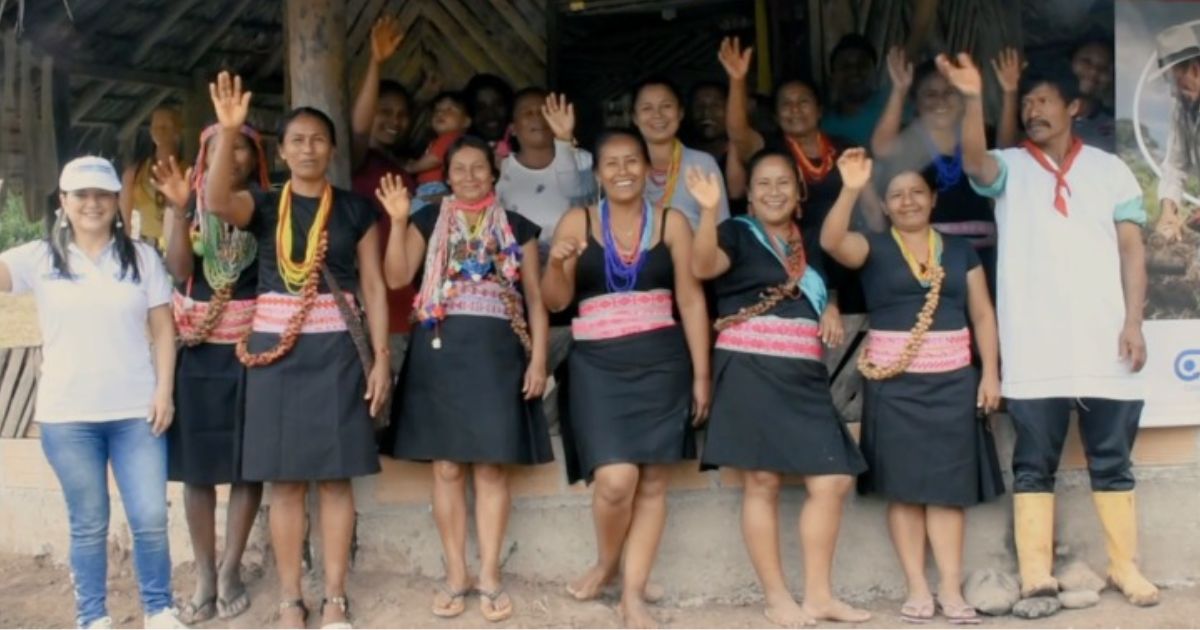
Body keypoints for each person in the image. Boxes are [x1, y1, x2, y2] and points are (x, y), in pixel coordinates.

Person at [950, 54, 1159, 608]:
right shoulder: (1011, 165)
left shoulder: (1111, 170)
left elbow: (1132, 250)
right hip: (1034, 340)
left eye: (1043, 100)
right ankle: (1036, 571)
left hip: (1103, 338)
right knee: (1033, 461)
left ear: (1074, 107)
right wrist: (976, 97)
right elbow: (973, 161)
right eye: (1026, 103)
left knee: (1112, 459)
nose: (1032, 110)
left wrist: (1133, 322)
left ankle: (1124, 567)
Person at [204, 72, 392, 629]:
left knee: (335, 480)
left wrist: (381, 357)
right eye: (296, 140)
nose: (308, 148)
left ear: (333, 150)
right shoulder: (264, 205)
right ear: (282, 152)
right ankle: (291, 598)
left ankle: (334, 597)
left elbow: (376, 287)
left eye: (318, 139)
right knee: (284, 482)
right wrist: (228, 133)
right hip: (274, 354)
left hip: (337, 353)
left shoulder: (356, 210)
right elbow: (216, 200)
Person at [0, 157, 182, 629]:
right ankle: (92, 617)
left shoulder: (141, 257)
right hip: (68, 416)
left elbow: (163, 330)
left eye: (102, 194)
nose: (92, 203)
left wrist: (165, 391)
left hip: (137, 412)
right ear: (63, 202)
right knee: (88, 523)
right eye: (81, 195)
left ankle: (159, 610)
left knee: (149, 517)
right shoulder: (38, 258)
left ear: (116, 202)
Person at [821, 149, 1003, 623]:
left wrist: (991, 373)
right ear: (884, 205)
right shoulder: (872, 246)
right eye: (896, 196)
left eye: (916, 193)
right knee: (903, 491)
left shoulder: (959, 250)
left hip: (952, 383)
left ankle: (949, 588)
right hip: (894, 383)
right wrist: (851, 187)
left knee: (947, 489)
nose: (906, 202)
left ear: (933, 199)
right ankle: (917, 587)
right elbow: (831, 239)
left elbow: (982, 313)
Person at [691, 150, 871, 626]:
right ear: (748, 196)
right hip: (750, 366)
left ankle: (818, 596)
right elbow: (703, 266)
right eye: (763, 184)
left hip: (803, 374)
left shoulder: (807, 240)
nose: (773, 191)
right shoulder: (735, 233)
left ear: (798, 194)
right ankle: (776, 597)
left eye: (783, 184)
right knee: (763, 481)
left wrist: (829, 306)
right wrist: (709, 210)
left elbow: (820, 283)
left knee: (831, 479)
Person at [541, 129, 711, 629]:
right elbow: (554, 301)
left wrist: (702, 374)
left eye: (632, 161)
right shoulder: (578, 220)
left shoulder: (673, 222)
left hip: (663, 361)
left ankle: (631, 595)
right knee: (616, 481)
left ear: (647, 168)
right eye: (611, 163)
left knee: (654, 481)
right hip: (597, 365)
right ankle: (607, 562)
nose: (622, 171)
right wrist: (557, 263)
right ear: (596, 174)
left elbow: (692, 301)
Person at [379, 135, 552, 623]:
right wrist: (396, 220)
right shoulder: (429, 218)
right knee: (448, 468)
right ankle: (457, 574)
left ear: (493, 174)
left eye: (479, 168)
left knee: (492, 468)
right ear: (446, 175)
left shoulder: (519, 227)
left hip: (498, 357)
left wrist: (538, 360)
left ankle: (490, 574)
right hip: (441, 355)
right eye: (460, 169)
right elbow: (397, 277)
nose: (471, 176)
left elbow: (536, 300)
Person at [151, 123, 270, 624]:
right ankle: (203, 571)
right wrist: (180, 210)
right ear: (203, 156)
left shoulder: (266, 205)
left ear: (256, 155)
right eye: (218, 147)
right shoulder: (189, 203)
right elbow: (180, 269)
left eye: (240, 145)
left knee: (247, 464)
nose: (232, 155)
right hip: (197, 351)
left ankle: (231, 569)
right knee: (196, 469)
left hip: (251, 349)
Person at [720, 37, 874, 312]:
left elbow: (871, 202)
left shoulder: (846, 149)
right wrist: (737, 81)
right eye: (786, 104)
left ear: (819, 110)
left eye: (803, 101)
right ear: (777, 117)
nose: (795, 109)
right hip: (795, 259)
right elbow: (738, 133)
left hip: (847, 251)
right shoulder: (772, 151)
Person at [870, 47, 1023, 291]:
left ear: (963, 97)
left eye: (950, 92)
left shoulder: (977, 134)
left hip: (984, 257)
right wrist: (899, 90)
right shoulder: (910, 140)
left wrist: (1009, 92)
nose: (941, 101)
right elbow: (881, 148)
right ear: (916, 102)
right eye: (930, 94)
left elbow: (1008, 155)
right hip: (924, 258)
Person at [350, 14, 420, 374]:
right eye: (385, 111)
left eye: (403, 114)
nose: (395, 120)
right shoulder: (356, 160)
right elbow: (359, 131)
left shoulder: (406, 172)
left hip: (400, 307)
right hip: (364, 305)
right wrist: (375, 64)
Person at [632, 77, 730, 228]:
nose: (657, 115)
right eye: (647, 108)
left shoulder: (702, 164)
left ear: (680, 113)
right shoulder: (623, 167)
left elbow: (723, 231)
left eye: (666, 106)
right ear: (635, 118)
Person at [1154, 23, 1200, 242]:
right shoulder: (1181, 109)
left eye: (1176, 81)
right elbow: (1175, 164)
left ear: (1195, 70)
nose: (1173, 91)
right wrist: (1168, 211)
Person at [121, 105, 188, 247]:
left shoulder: (190, 172)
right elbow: (124, 220)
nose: (161, 130)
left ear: (179, 130)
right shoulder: (134, 174)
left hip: (180, 245)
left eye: (166, 125)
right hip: (146, 246)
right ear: (150, 131)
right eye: (156, 126)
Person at [821, 34, 895, 147]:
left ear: (875, 72)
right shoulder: (823, 124)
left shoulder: (895, 103)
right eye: (845, 66)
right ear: (832, 77)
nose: (854, 71)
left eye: (862, 64)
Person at [407, 91, 472, 213]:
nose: (441, 113)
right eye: (437, 110)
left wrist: (412, 167)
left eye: (449, 109)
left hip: (435, 188)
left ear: (466, 122)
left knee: (414, 213)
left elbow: (434, 159)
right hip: (431, 188)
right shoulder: (441, 139)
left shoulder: (450, 138)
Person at [1070, 38, 1116, 151]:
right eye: (1086, 62)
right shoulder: (1040, 113)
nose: (1093, 71)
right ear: (1070, 62)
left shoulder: (1115, 127)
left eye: (1104, 68)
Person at [464, 73, 516, 159]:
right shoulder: (461, 152)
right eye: (481, 108)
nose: (491, 114)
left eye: (498, 104)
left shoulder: (527, 149)